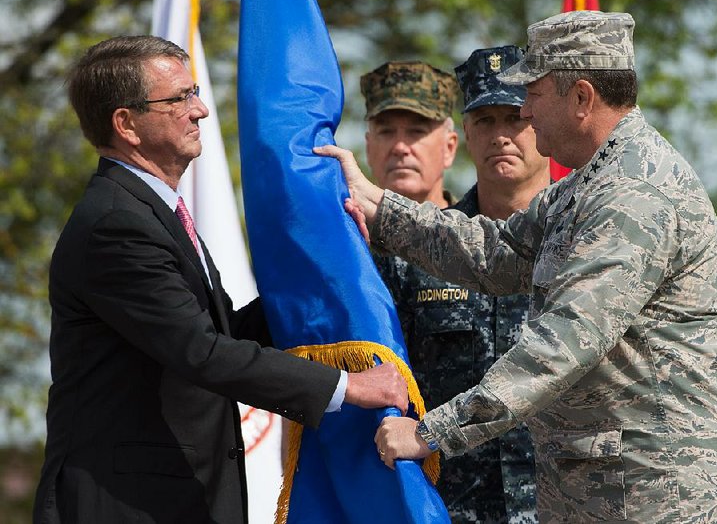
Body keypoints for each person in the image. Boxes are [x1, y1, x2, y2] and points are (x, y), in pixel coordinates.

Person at [318, 11, 717, 522]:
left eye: (533, 93)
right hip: (607, 484)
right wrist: (379, 208)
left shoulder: (632, 194)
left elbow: (563, 343)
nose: (525, 112)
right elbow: (495, 252)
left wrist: (430, 433)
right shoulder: (583, 187)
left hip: (664, 487)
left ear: (580, 98)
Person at [33, 35, 408, 524]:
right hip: (124, 505)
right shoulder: (115, 224)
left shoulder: (150, 212)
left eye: (194, 92)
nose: (202, 110)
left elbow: (224, 332)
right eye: (180, 98)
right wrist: (348, 387)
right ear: (125, 124)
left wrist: (332, 262)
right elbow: (202, 352)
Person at [364, 50, 549, 522]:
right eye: (485, 120)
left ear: (544, 122)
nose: (500, 135)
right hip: (451, 509)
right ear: (464, 134)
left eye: (516, 117)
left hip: (569, 505)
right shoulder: (421, 247)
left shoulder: (582, 239)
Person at [361, 61, 459, 208]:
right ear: (369, 149)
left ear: (449, 148)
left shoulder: (482, 229)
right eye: (386, 132)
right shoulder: (341, 229)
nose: (400, 148)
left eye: (417, 131)